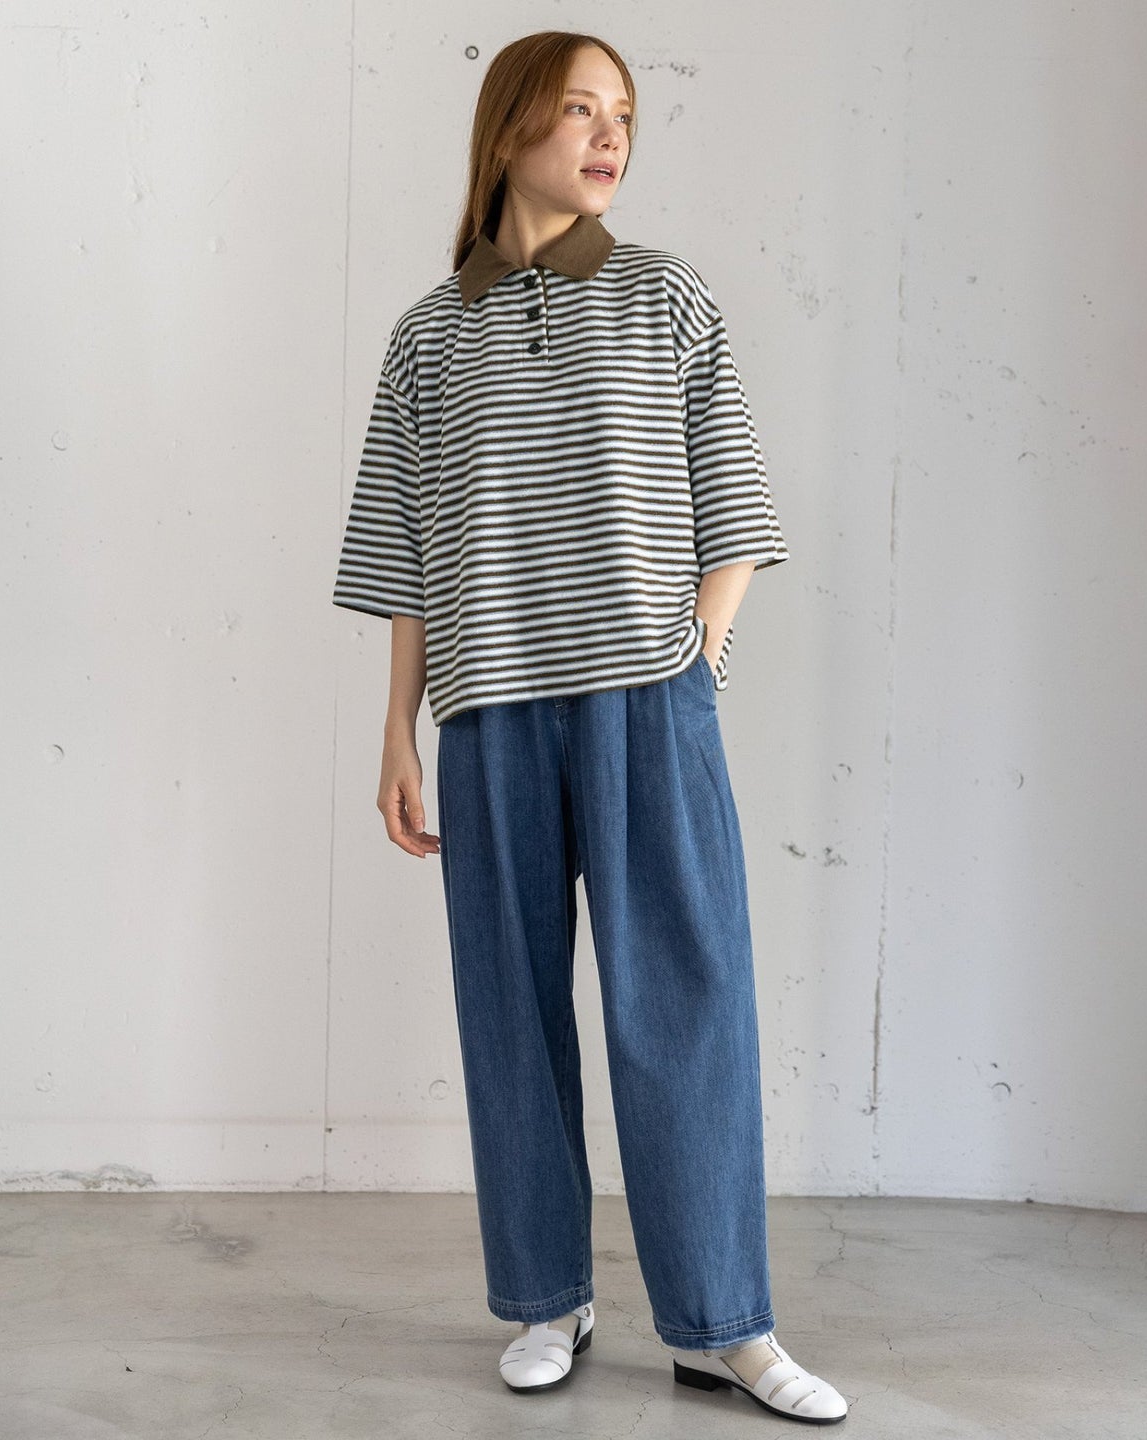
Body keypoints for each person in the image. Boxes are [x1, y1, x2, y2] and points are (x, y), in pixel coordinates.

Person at [331, 29, 848, 1425]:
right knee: (509, 1012)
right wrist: (398, 731)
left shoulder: (665, 294)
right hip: (489, 710)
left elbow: (734, 507)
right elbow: (405, 551)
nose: (610, 135)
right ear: (510, 130)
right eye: (578, 110)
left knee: (685, 1002)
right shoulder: (428, 335)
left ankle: (724, 1324)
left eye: (623, 113)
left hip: (646, 701)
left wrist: (698, 669)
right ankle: (546, 1298)